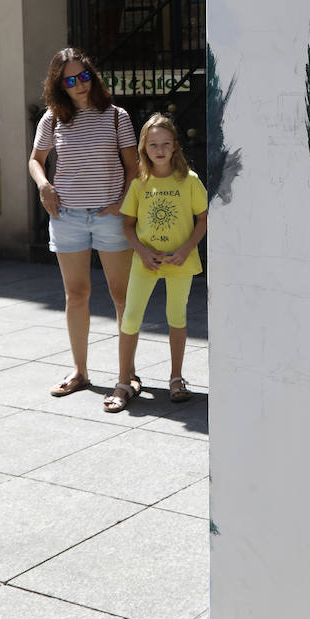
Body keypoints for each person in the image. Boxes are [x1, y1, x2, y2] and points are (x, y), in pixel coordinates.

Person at [29, 48, 141, 398]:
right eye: (71, 79)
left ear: (93, 76)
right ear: (60, 84)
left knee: (122, 297)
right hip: (68, 217)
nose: (80, 84)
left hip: (110, 217)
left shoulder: (116, 116)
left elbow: (133, 166)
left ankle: (128, 375)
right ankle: (80, 372)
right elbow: (35, 160)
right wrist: (44, 185)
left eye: (84, 76)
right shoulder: (52, 118)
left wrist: (123, 201)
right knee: (76, 295)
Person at [104, 113, 207, 413]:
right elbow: (127, 225)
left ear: (175, 146)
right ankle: (124, 381)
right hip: (144, 261)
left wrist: (187, 249)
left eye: (165, 143)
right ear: (143, 148)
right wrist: (142, 251)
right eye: (152, 145)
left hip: (179, 262)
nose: (159, 149)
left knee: (176, 316)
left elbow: (202, 218)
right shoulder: (139, 183)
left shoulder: (189, 181)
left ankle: (176, 378)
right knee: (130, 318)